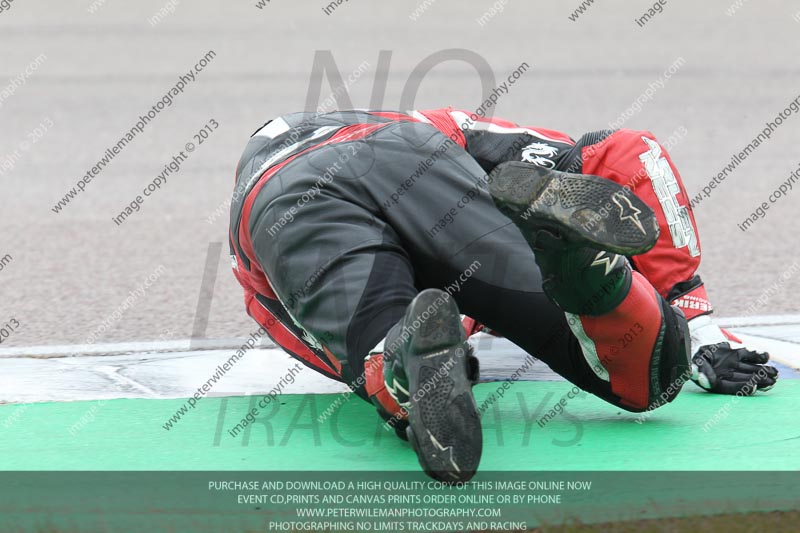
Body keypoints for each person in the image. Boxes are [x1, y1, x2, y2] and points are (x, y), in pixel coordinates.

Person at [227, 108, 778, 482]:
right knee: (647, 379)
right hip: (412, 150)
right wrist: (693, 313)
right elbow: (630, 152)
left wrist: (396, 362)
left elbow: (308, 338)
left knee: (377, 353)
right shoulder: (433, 122)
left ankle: (398, 357)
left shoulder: (247, 264)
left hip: (274, 205)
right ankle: (587, 268)